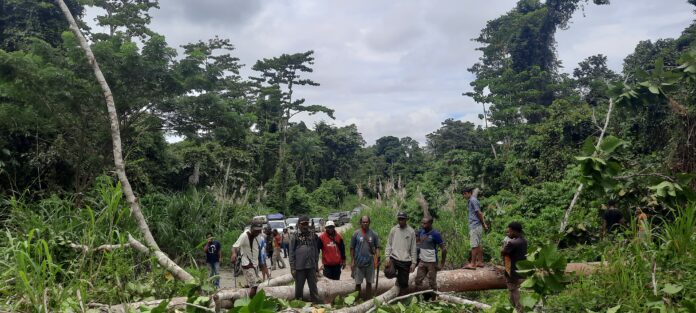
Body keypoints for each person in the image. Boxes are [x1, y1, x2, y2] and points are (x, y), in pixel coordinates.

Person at [289, 216, 322, 303]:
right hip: (299, 267)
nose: (305, 226)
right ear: (299, 224)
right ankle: (299, 303)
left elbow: (315, 250)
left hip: (311, 266)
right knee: (299, 288)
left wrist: (316, 265)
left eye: (306, 223)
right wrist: (292, 268)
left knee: (313, 287)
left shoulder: (311, 234)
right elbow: (291, 252)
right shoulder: (295, 235)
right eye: (303, 224)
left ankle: (316, 303)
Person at [384, 212, 417, 292]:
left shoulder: (411, 231)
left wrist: (413, 262)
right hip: (394, 258)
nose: (401, 221)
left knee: (404, 284)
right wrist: (387, 256)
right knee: (388, 272)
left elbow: (413, 248)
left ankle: (402, 296)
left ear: (406, 219)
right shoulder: (394, 230)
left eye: (402, 219)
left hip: (405, 260)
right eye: (399, 219)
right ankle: (398, 276)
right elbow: (389, 244)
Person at [350, 215, 380, 300]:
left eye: (367, 222)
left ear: (369, 223)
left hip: (370, 262)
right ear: (360, 223)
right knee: (358, 283)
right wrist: (352, 261)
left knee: (369, 283)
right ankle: (356, 300)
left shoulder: (374, 234)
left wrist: (377, 259)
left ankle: (368, 299)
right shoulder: (356, 234)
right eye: (363, 222)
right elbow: (352, 248)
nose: (365, 223)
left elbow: (377, 247)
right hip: (358, 263)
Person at [415, 216, 447, 294]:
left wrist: (442, 264)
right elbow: (416, 237)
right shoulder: (421, 232)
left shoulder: (435, 234)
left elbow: (444, 249)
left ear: (430, 223)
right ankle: (420, 297)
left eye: (425, 223)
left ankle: (434, 298)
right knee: (418, 280)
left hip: (432, 262)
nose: (422, 225)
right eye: (422, 223)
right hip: (422, 261)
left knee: (432, 282)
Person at [231, 222, 264, 297]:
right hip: (247, 264)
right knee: (255, 286)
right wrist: (234, 254)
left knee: (253, 285)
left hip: (255, 264)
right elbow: (235, 246)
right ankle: (251, 302)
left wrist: (261, 262)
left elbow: (257, 249)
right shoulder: (244, 235)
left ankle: (245, 298)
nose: (258, 232)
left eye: (259, 230)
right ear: (251, 228)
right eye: (256, 230)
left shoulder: (259, 236)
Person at [501, 222, 528, 313]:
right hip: (521, 271)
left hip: (512, 272)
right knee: (513, 292)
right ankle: (516, 309)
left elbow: (503, 252)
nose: (509, 233)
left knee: (515, 291)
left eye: (509, 231)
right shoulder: (524, 241)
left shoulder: (512, 243)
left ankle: (519, 310)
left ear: (513, 231)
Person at [462, 187, 487, 269]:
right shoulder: (473, 200)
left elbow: (479, 212)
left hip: (475, 225)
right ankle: (480, 262)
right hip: (477, 225)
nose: (464, 196)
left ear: (469, 193)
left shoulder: (472, 200)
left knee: (474, 245)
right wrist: (483, 224)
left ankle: (473, 264)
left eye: (465, 194)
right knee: (478, 244)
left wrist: (483, 224)